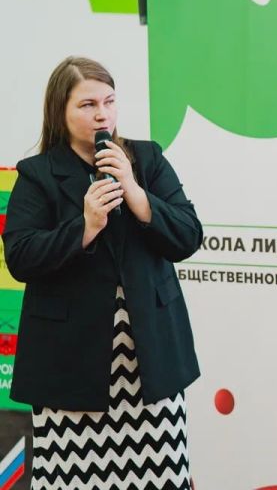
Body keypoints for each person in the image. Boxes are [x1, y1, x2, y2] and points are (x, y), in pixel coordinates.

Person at [3, 57, 202, 489]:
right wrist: (84, 226)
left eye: (109, 101)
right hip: (70, 369)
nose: (102, 114)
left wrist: (135, 192)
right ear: (60, 110)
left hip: (149, 364)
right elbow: (20, 257)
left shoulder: (147, 159)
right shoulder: (37, 174)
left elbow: (188, 235)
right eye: (88, 104)